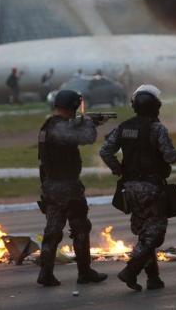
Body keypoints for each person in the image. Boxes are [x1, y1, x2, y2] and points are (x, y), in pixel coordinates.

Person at [100, 84, 176, 291]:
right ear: (156, 106)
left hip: (129, 187)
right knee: (155, 234)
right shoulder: (157, 128)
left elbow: (105, 151)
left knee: (145, 232)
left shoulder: (124, 127)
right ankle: (130, 270)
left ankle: (153, 278)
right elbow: (172, 156)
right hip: (151, 187)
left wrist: (119, 170)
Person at [37, 89, 108, 287]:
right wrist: (90, 123)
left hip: (51, 185)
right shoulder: (59, 128)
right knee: (80, 228)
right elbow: (87, 137)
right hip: (66, 186)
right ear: (73, 106)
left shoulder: (49, 125)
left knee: (53, 230)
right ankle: (84, 272)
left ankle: (46, 272)